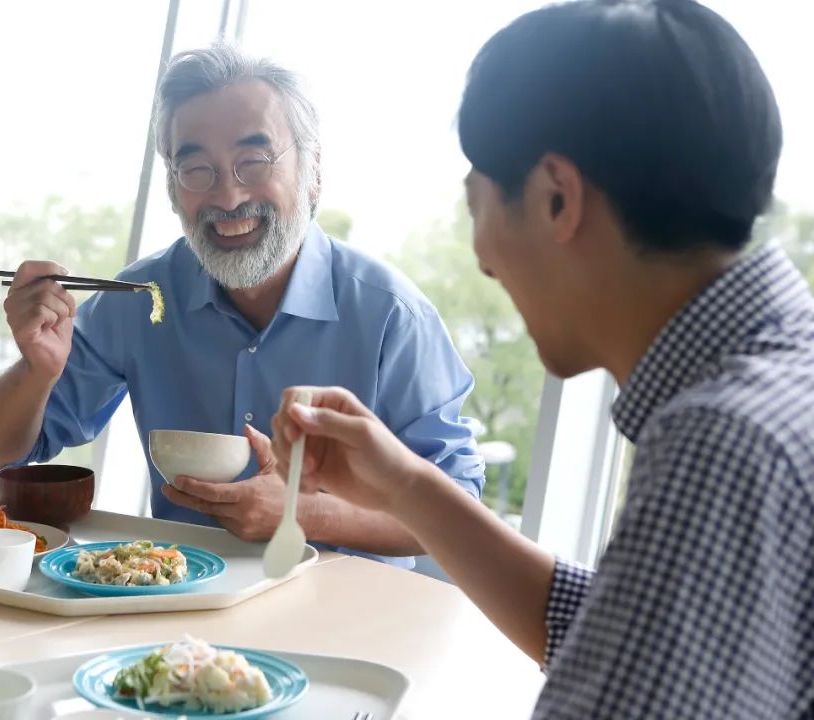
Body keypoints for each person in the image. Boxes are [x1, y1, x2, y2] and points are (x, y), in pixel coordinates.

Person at [271, 0, 813, 716]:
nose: (482, 259)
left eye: (477, 204)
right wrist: (405, 484)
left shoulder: (720, 443)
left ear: (557, 199)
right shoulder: (783, 385)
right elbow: (624, 632)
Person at [0, 43, 484, 566]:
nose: (229, 197)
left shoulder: (391, 315)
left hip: (347, 604)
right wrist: (36, 370)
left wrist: (306, 514)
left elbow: (459, 509)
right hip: (179, 601)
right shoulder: (140, 298)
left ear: (313, 170)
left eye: (253, 162)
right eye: (196, 169)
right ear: (172, 186)